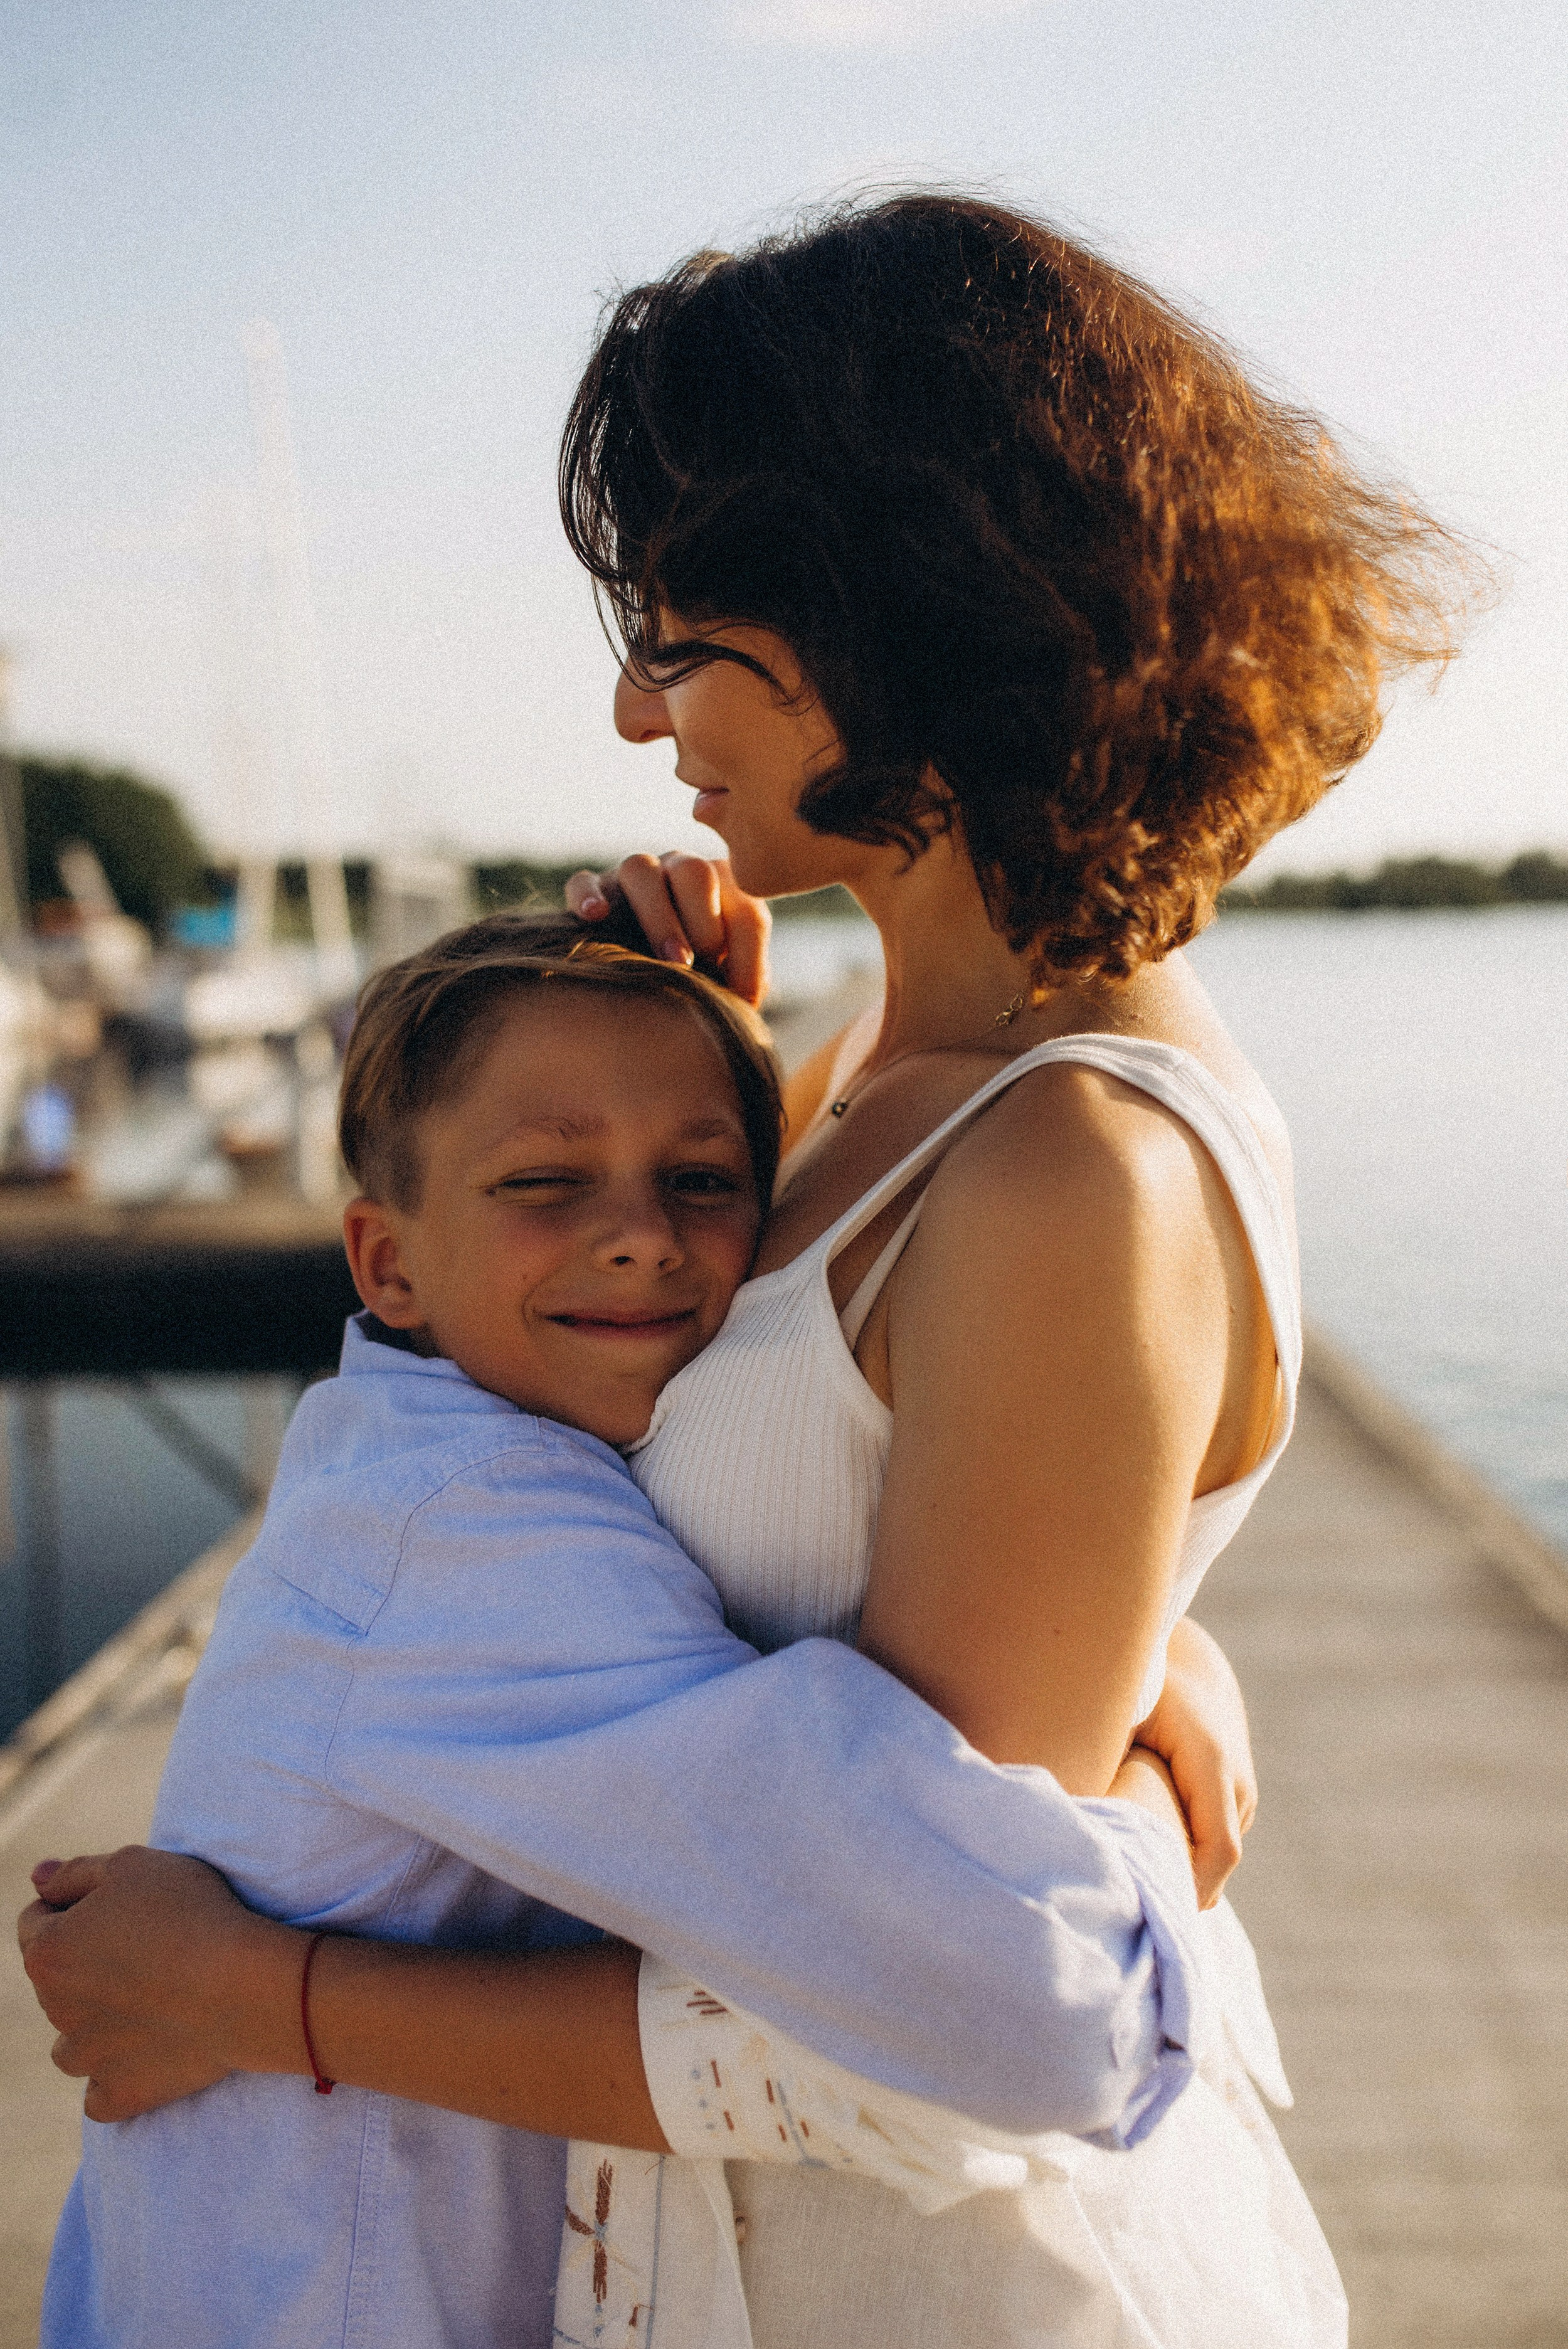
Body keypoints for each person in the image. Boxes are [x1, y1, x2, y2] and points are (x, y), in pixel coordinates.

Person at [21, 191, 1471, 2346]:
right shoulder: (883, 1057)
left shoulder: (1067, 1162)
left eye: (683, 631)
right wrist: (710, 1073)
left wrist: (266, 1996)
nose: (635, 709)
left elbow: (942, 2024)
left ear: (890, 603)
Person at [33, 910, 1216, 2349]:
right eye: (544, 1181)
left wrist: (1149, 1635)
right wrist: (1148, 1789)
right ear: (386, 1264)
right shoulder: (476, 1540)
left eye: (703, 1179)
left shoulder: (418, 1457)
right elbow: (1058, 2009)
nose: (643, 1236)